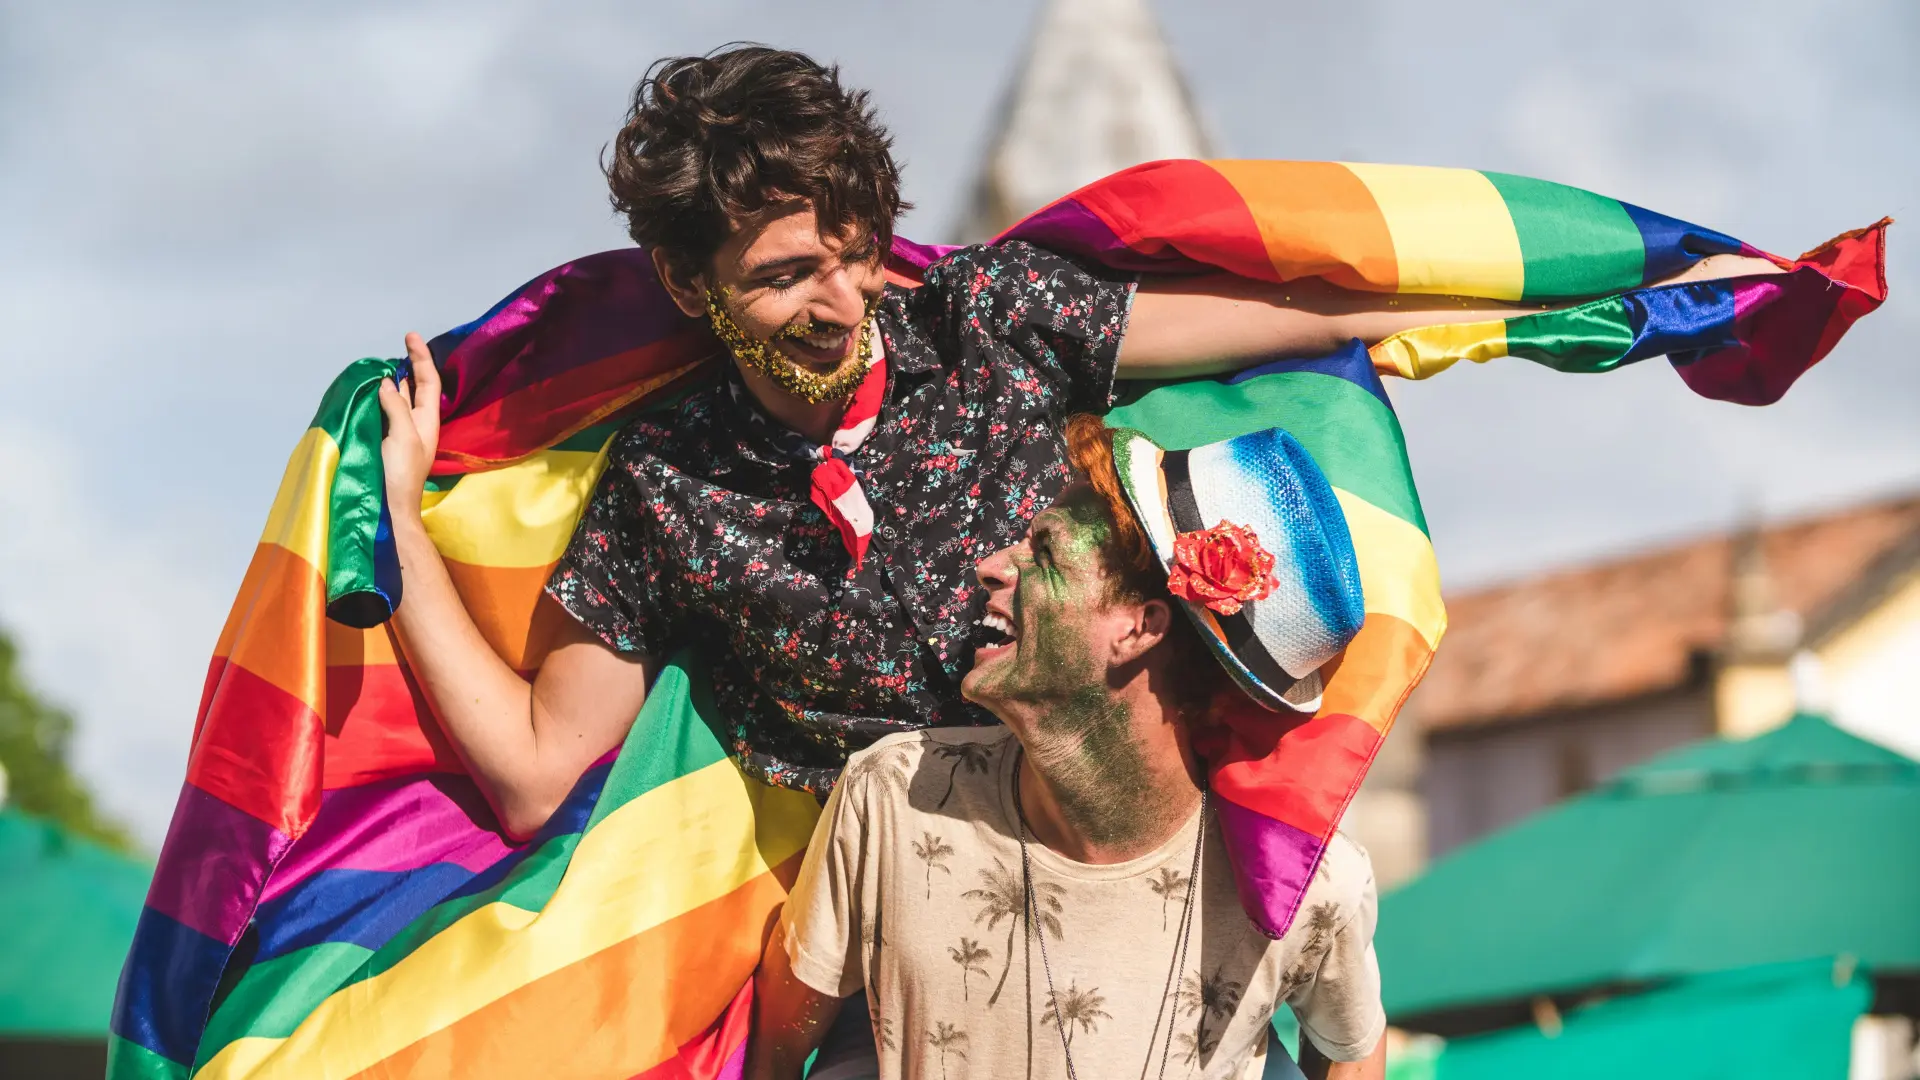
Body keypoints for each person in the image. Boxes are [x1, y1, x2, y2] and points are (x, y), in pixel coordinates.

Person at [373, 44, 1589, 840]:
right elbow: (535, 774)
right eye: (789, 275)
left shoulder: (995, 317)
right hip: (891, 972)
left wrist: (1533, 305)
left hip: (1149, 894)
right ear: (690, 285)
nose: (842, 299)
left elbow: (1286, 310)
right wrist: (400, 532)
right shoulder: (666, 486)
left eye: (854, 250)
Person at [748, 414, 1387, 1080]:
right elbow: (777, 1049)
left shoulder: (1303, 882)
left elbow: (1355, 1045)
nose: (992, 567)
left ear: (1141, 629)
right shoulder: (893, 795)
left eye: (1044, 554)